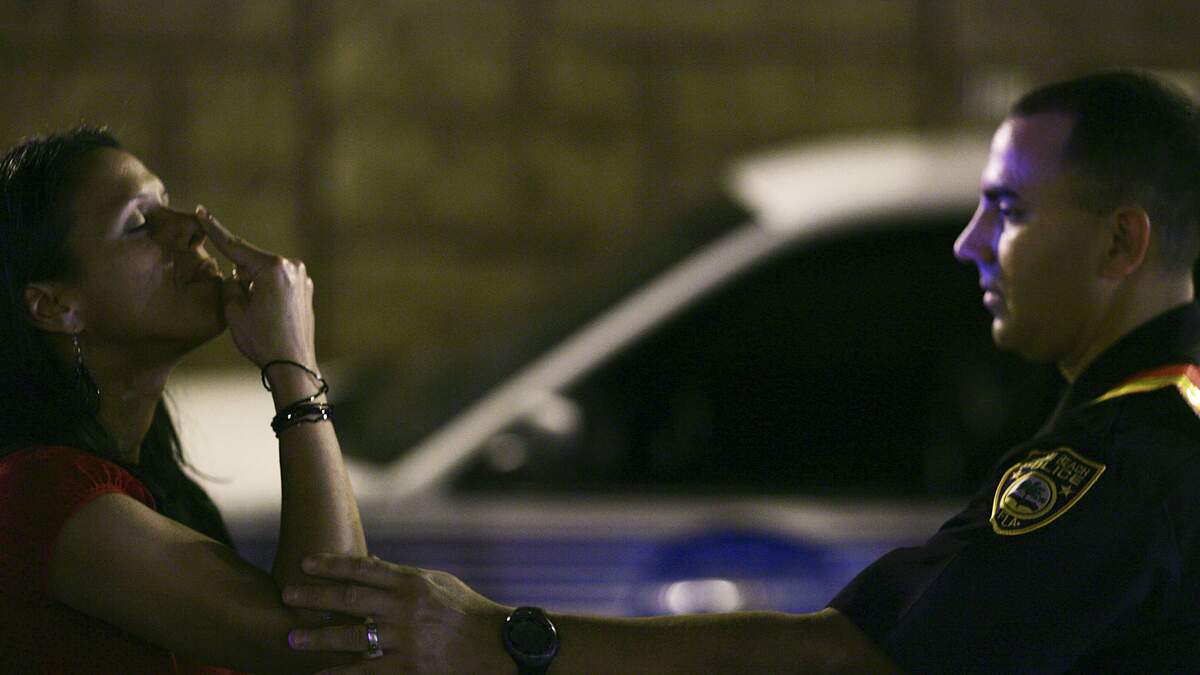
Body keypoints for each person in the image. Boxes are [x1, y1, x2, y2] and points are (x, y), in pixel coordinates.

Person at [279, 70, 1200, 673]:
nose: (971, 242)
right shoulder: (1161, 425)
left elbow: (846, 657)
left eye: (1009, 211)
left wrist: (496, 637)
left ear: (1122, 241)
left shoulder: (1121, 468)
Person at [0, 127, 373, 672]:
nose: (191, 227)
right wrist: (293, 365)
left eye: (167, 203)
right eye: (139, 223)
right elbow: (326, 633)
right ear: (54, 307)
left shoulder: (149, 470)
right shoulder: (43, 496)